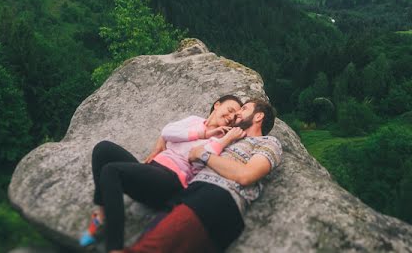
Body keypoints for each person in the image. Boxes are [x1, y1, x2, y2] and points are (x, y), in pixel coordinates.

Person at [80, 94, 243, 252]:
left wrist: (222, 139)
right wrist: (204, 133)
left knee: (111, 171)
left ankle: (114, 247)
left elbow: (200, 156)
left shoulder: (220, 140)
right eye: (229, 110)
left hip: (171, 182)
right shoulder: (195, 121)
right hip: (150, 171)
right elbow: (167, 131)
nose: (230, 116)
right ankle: (102, 216)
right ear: (217, 105)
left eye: (235, 116)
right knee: (103, 149)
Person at [123, 98, 281, 253]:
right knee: (146, 240)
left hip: (217, 198)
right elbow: (191, 143)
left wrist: (205, 155)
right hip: (189, 194)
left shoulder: (268, 142)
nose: (237, 113)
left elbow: (246, 175)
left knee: (146, 248)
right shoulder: (227, 138)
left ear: (259, 116)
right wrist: (162, 139)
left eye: (244, 108)